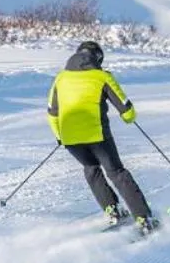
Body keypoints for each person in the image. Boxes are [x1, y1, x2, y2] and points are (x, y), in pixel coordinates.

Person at [47, 40, 157, 231]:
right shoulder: (102, 76)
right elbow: (126, 110)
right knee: (116, 172)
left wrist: (60, 137)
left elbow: (52, 113)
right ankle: (143, 218)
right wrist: (128, 116)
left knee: (91, 168)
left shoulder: (60, 78)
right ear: (98, 58)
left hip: (70, 138)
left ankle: (112, 210)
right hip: (97, 135)